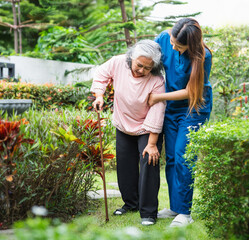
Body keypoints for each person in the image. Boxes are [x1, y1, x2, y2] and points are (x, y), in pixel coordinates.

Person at [91, 39, 166, 226]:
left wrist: (152, 143)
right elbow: (101, 74)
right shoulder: (117, 62)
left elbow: (157, 110)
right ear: (131, 57)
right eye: (139, 65)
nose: (141, 70)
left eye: (147, 68)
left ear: (154, 67)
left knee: (149, 161)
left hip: (147, 127)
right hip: (123, 123)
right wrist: (99, 95)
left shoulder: (157, 81)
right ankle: (131, 203)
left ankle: (148, 212)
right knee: (125, 165)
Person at [149, 18, 213, 227]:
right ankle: (175, 207)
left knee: (183, 156)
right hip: (172, 108)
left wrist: (159, 97)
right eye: (173, 41)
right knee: (172, 159)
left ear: (191, 46)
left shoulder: (203, 56)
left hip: (194, 108)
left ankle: (185, 213)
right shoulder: (165, 38)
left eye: (179, 45)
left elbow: (191, 91)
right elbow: (147, 58)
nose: (173, 46)